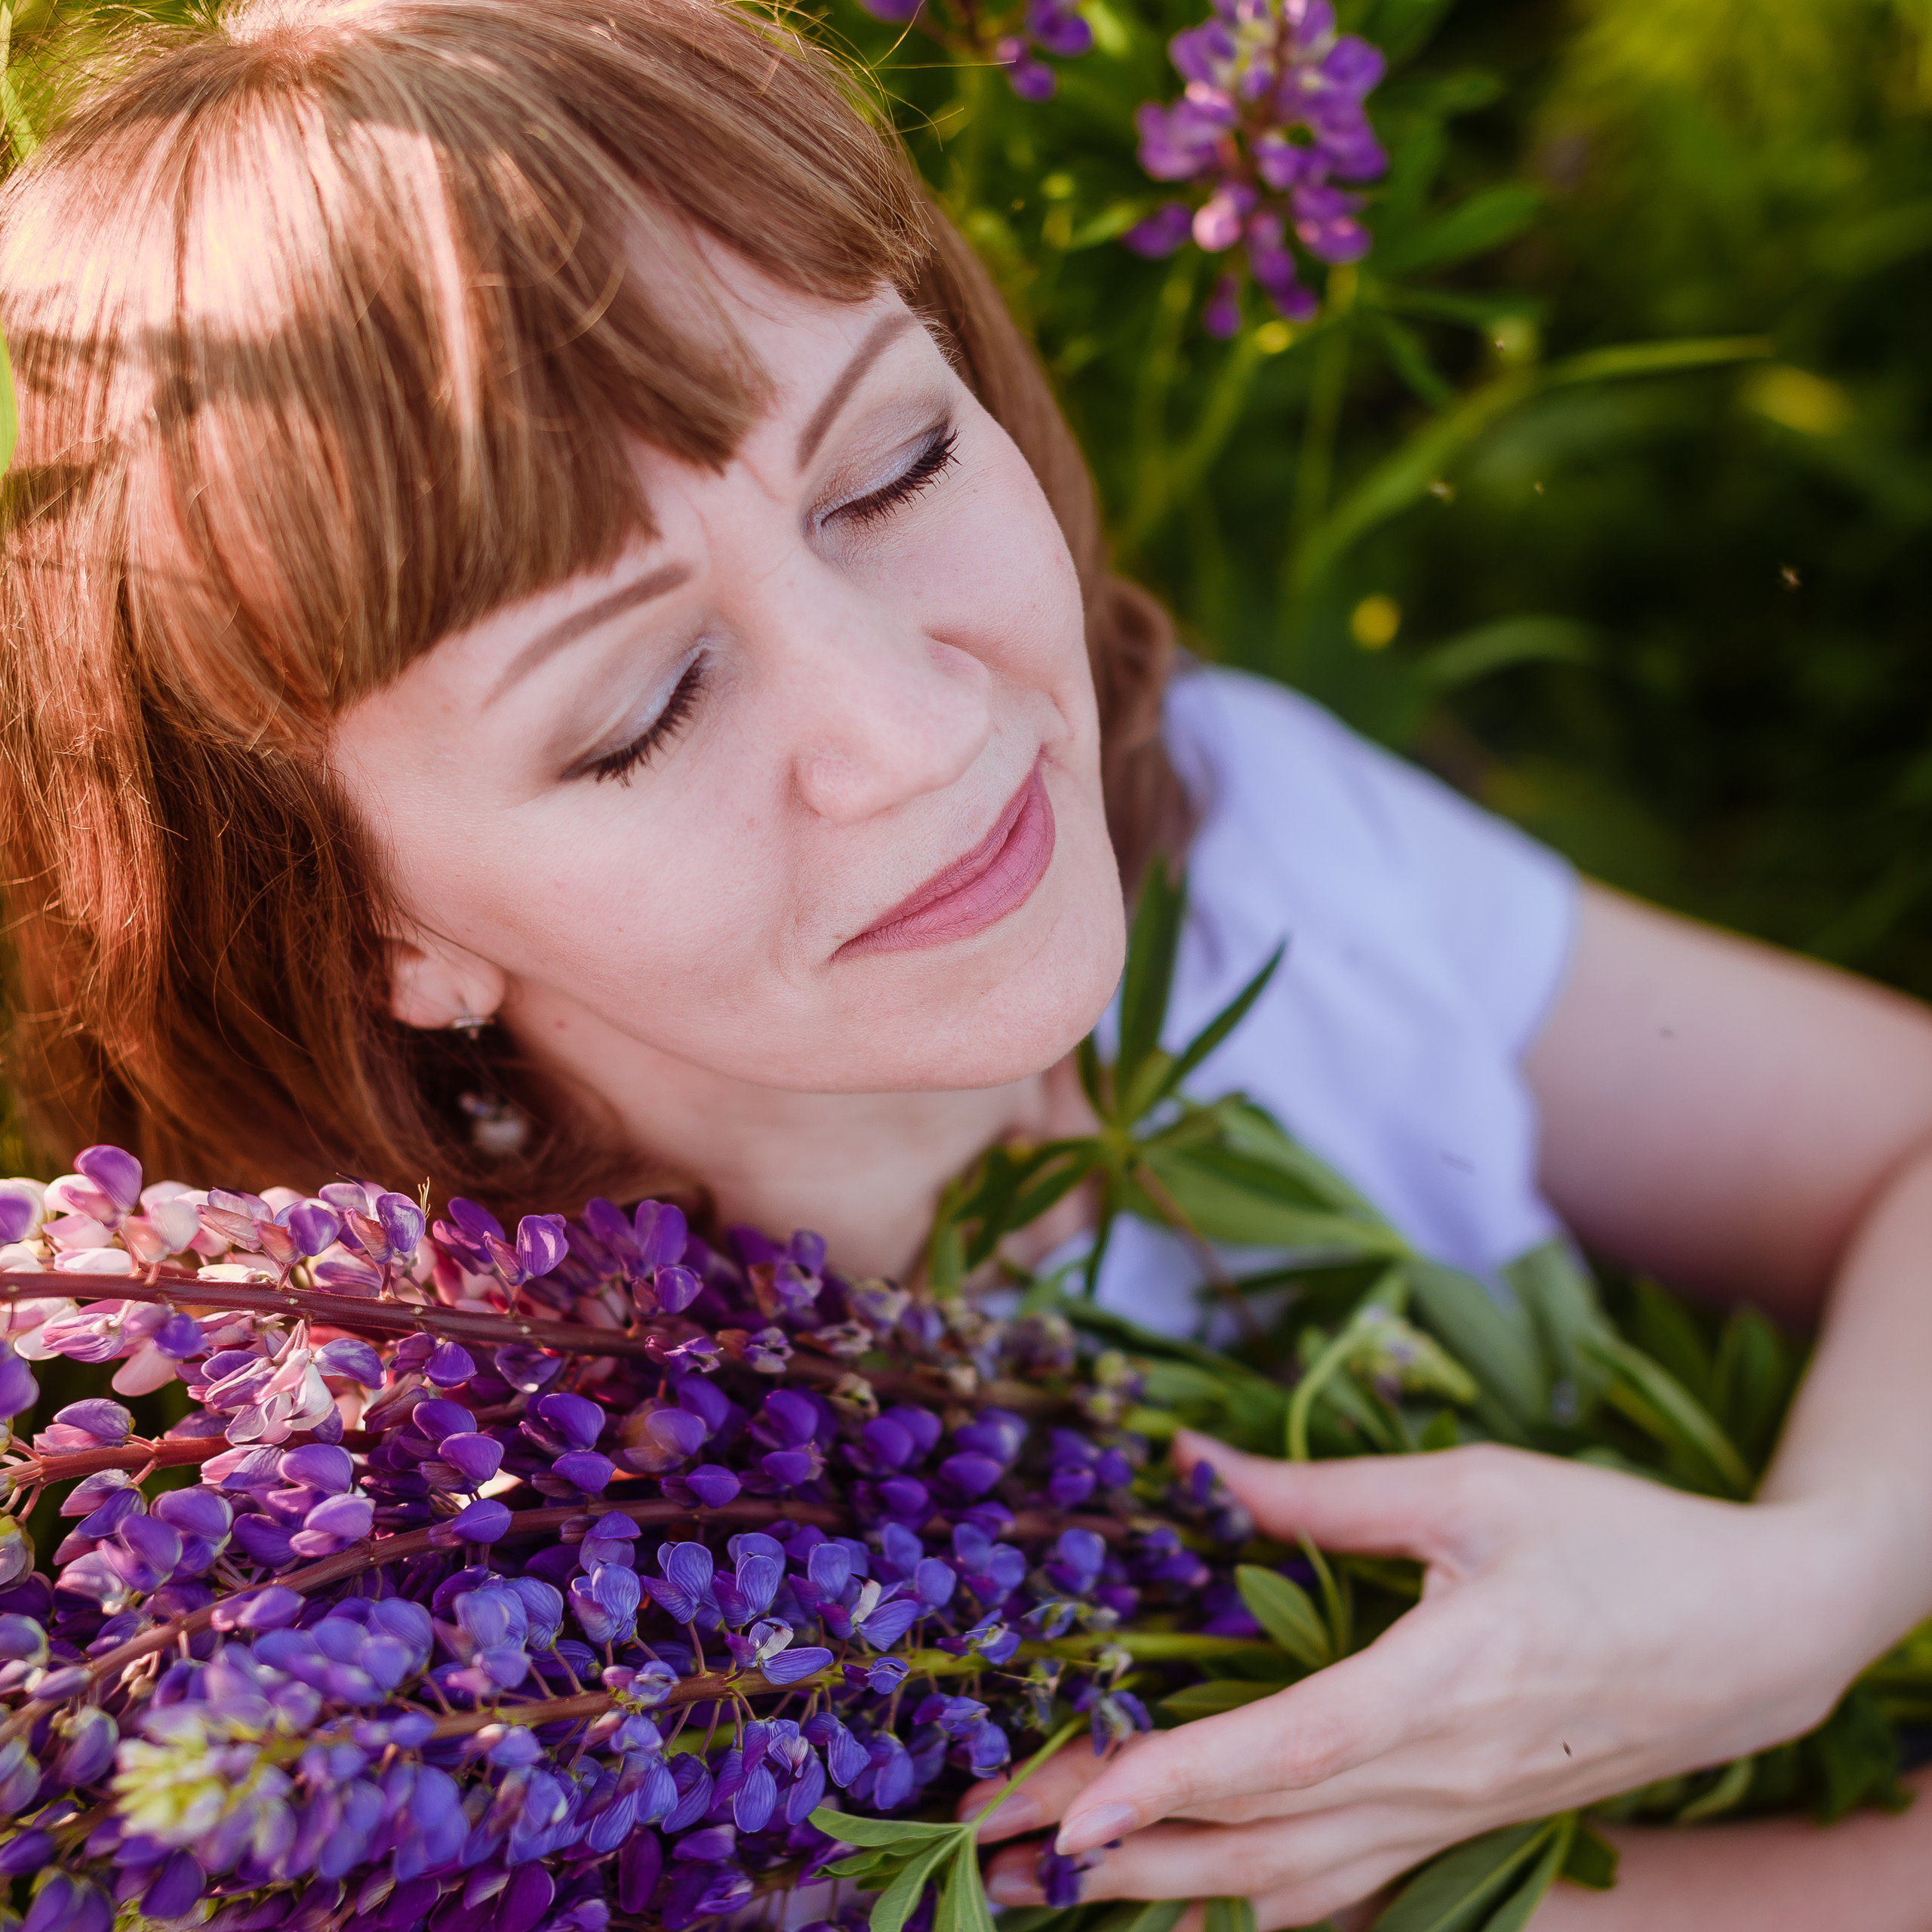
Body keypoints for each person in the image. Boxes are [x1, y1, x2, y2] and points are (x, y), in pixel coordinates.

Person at [1, 2, 1930, 1924]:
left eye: (893, 466)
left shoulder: (1248, 852)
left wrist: (1807, 1589)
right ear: (371, 925)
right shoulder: (499, 1582)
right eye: (640, 705)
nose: (912, 729)